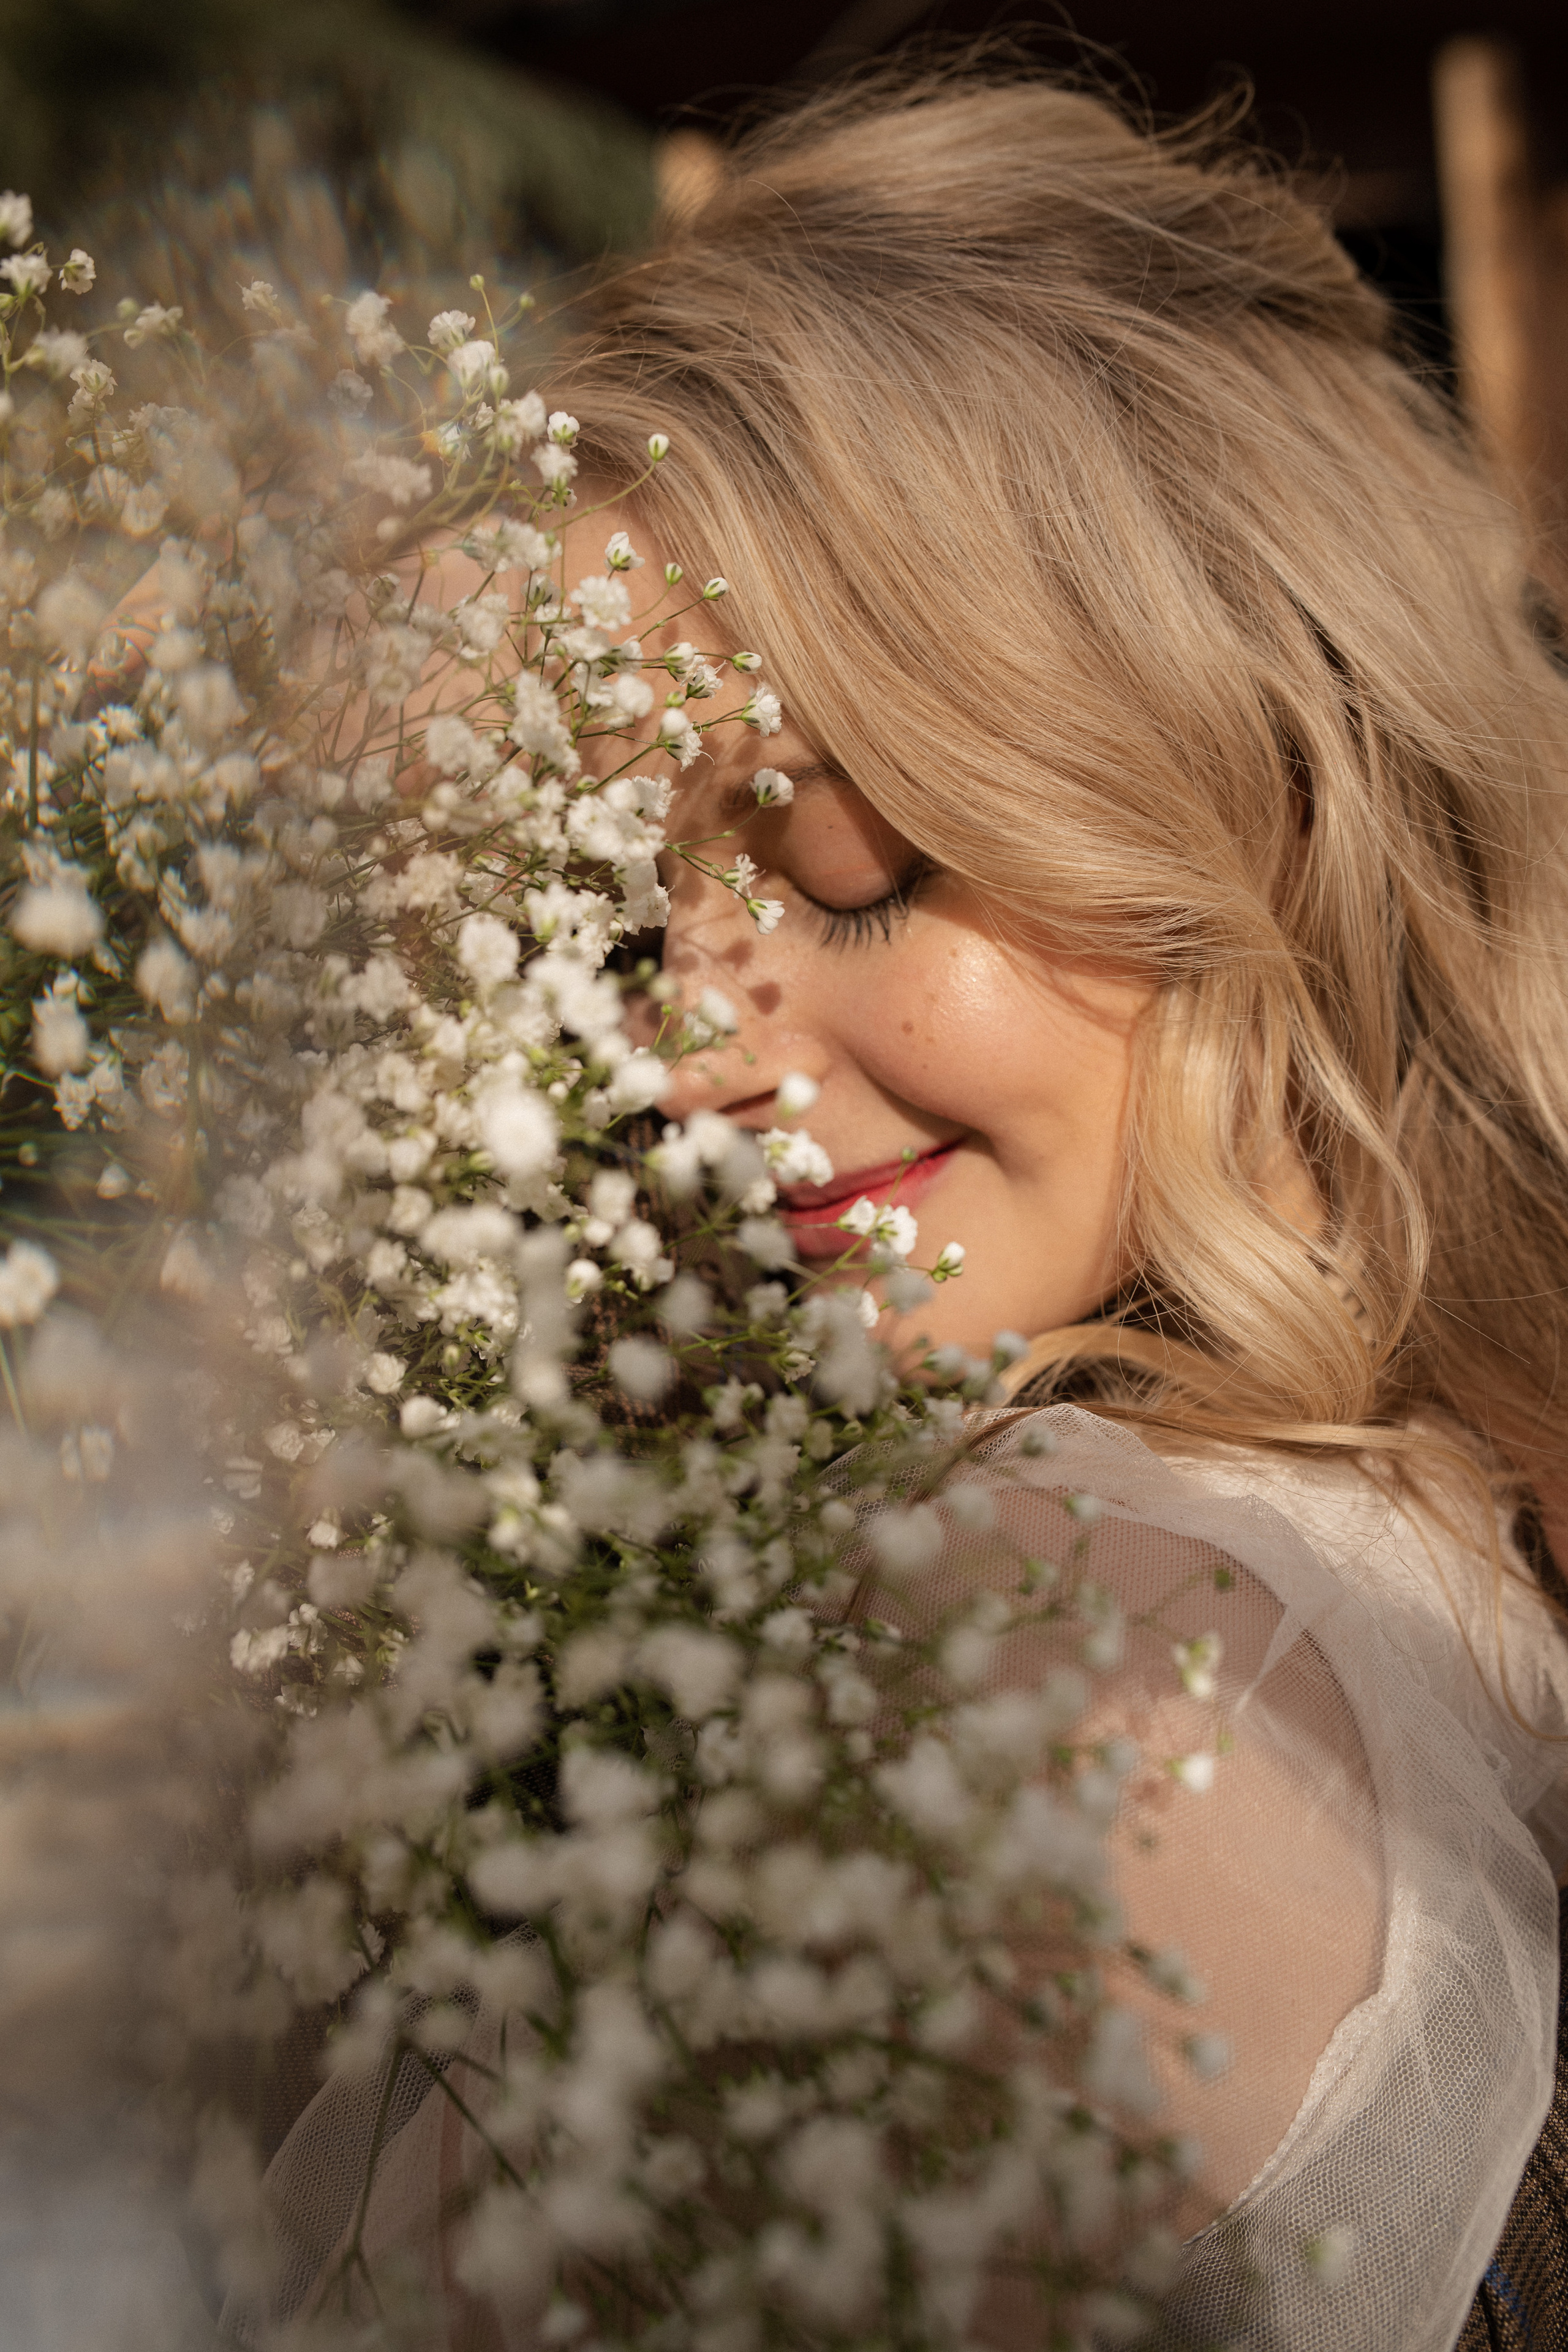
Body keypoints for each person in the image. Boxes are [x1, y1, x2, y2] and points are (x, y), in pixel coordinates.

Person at [238, 61, 1568, 2351]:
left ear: (1253, 784)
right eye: (615, 926)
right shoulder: (1417, 1506)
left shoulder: (1061, 1661)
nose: (683, 1055)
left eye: (848, 868)